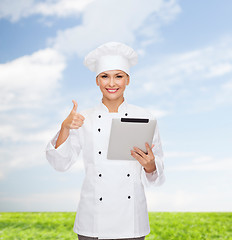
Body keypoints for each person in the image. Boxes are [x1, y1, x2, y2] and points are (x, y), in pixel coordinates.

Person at [46, 42, 165, 240]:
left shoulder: (146, 117)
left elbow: (157, 174)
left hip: (131, 222)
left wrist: (151, 166)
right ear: (97, 80)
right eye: (105, 76)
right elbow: (60, 163)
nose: (111, 83)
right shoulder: (82, 118)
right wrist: (64, 127)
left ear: (128, 80)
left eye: (118, 76)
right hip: (93, 221)